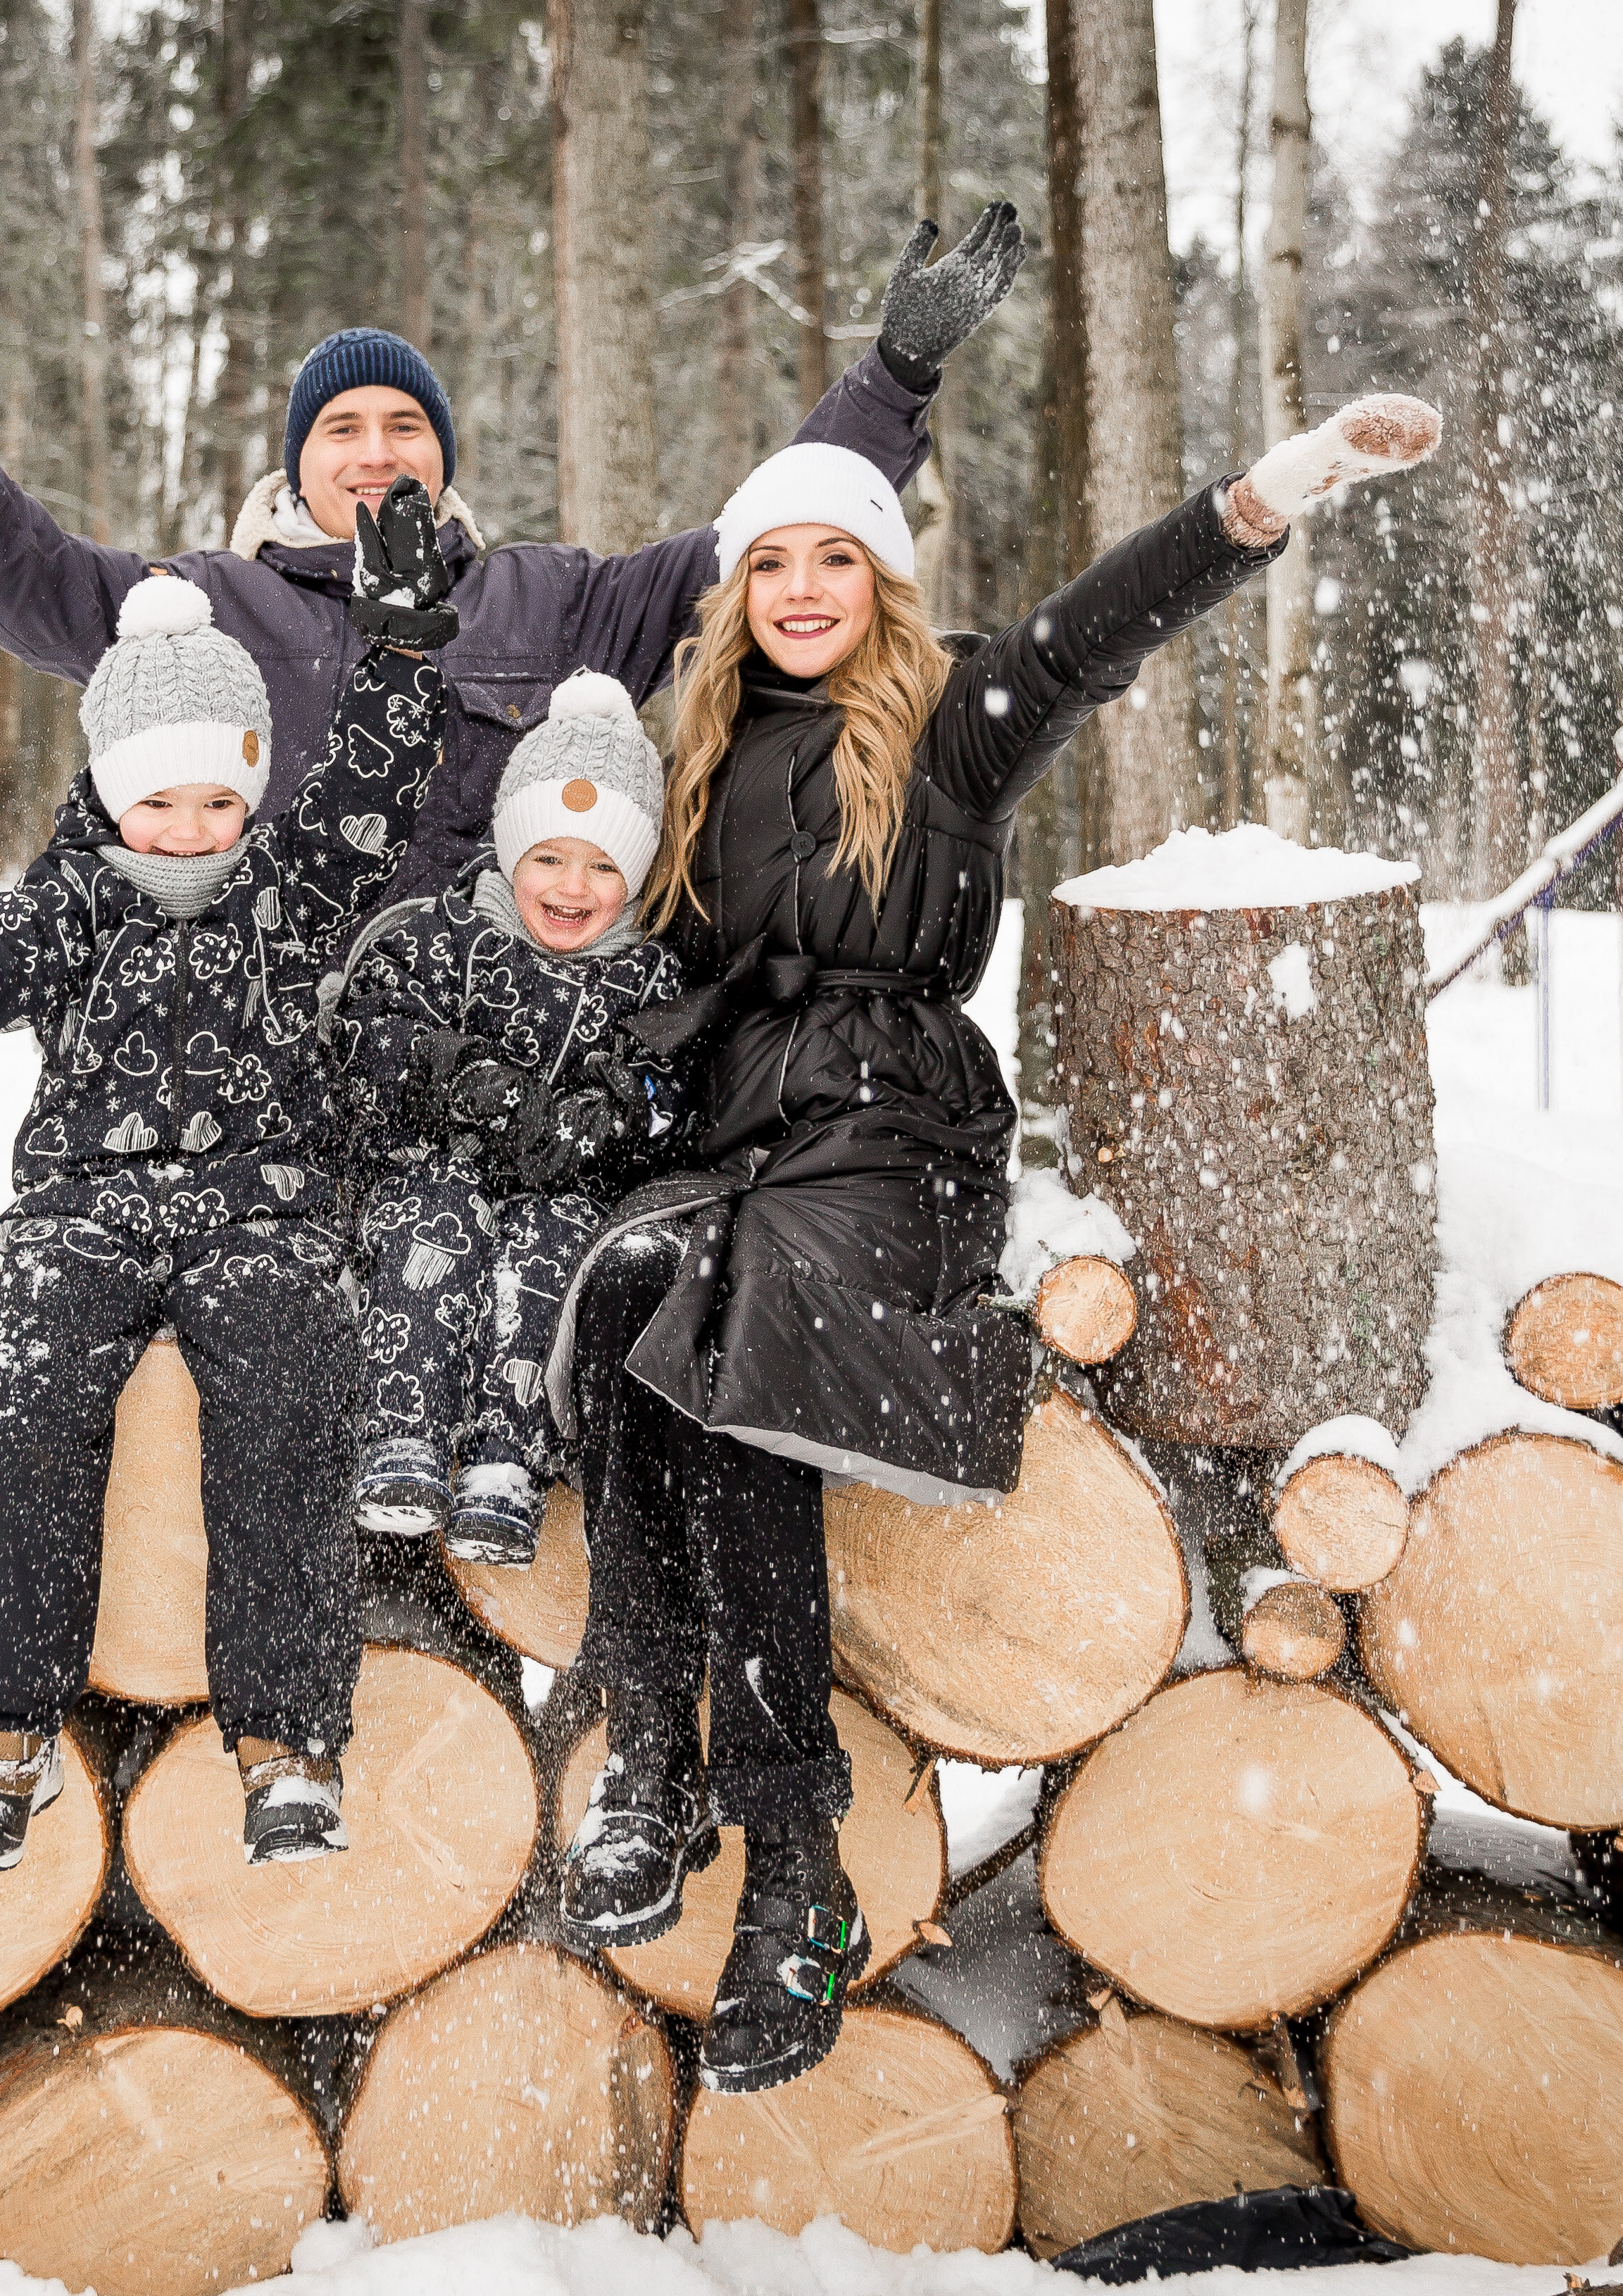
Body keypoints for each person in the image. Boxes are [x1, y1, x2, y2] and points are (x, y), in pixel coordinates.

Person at [554, 394, 1446, 2095]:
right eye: (769, 562)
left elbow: (1092, 631)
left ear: (882, 584)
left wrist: (1269, 489)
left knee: (741, 1345)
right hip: (731, 1130)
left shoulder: (946, 720)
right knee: (622, 1310)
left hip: (892, 1135)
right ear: (731, 591)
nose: (800, 587)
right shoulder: (692, 755)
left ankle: (796, 1856)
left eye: (835, 556)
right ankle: (647, 1755)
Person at [0, 182, 1029, 898]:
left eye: (406, 424)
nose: (376, 451)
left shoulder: (551, 601)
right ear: (299, 461)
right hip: (265, 1063)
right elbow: (11, 568)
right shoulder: (204, 607)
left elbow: (767, 541)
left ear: (442, 457)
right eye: (340, 427)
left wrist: (895, 374)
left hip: (481, 1057)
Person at [0, 480, 461, 1874]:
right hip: (84, 1213)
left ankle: (286, 1745)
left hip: (263, 1210)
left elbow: (366, 791)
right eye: (157, 797)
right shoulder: (75, 900)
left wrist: (403, 660)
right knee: (29, 1395)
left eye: (216, 794)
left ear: (249, 785)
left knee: (292, 1400)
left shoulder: (291, 887)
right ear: (113, 789)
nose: (187, 823)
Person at [323, 670, 691, 1566]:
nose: (574, 886)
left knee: (550, 1255)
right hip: (429, 1168)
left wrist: (600, 1118)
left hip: (562, 1186)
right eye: (550, 858)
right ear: (508, 852)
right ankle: (400, 1432)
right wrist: (473, 1084)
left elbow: (665, 1088)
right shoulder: (442, 935)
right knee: (435, 1230)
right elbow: (374, 1034)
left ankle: (505, 1458)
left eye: (605, 865)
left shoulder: (648, 977)